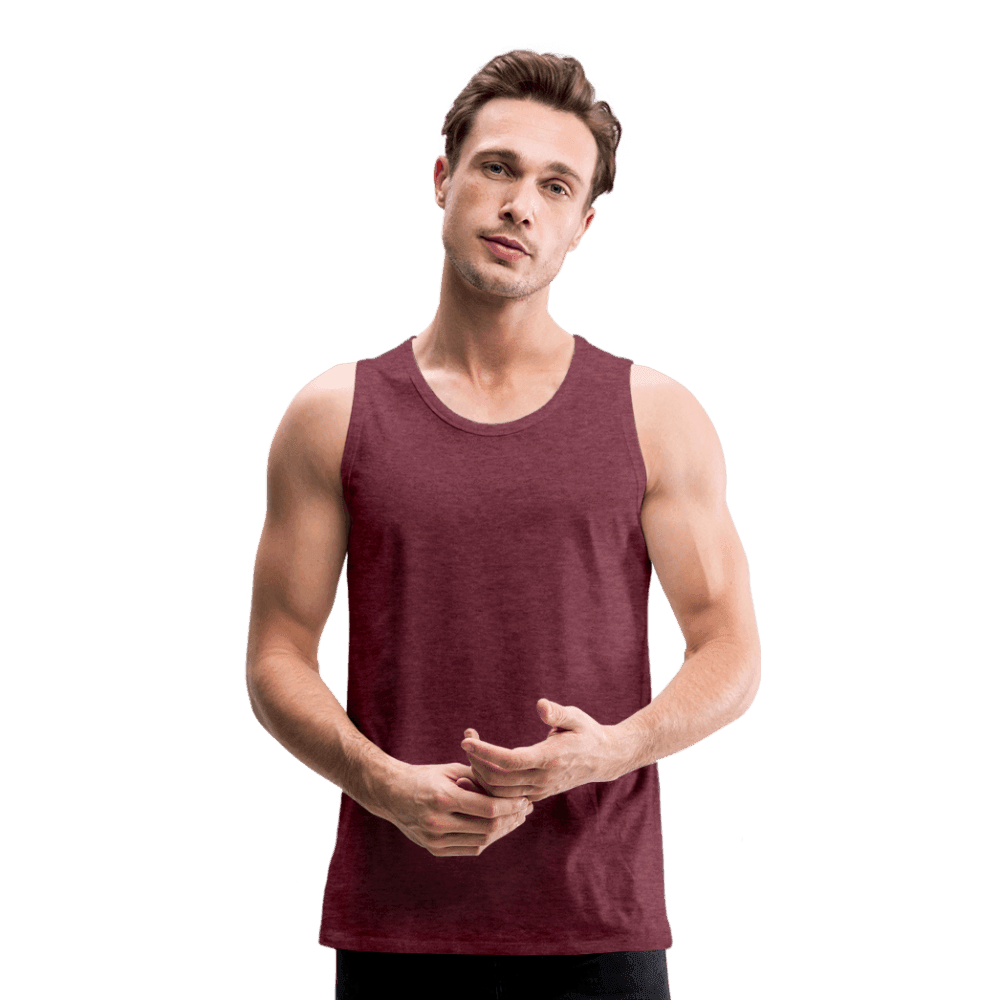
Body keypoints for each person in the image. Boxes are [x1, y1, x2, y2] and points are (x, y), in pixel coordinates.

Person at [244, 44, 760, 1000]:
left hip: (597, 925)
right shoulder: (333, 413)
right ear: (443, 179)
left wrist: (613, 748)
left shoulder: (657, 415)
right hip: (398, 928)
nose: (522, 204)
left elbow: (731, 651)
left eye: (556, 186)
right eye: (498, 168)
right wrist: (381, 783)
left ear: (582, 224)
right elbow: (276, 655)